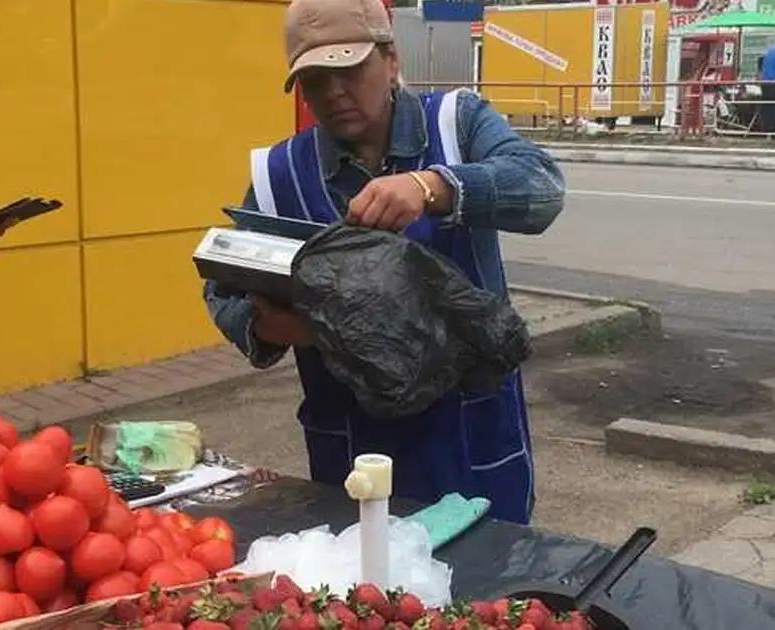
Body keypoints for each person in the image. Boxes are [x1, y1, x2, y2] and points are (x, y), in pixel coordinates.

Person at [203, 0, 565, 525]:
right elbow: (221, 285)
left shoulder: (456, 124)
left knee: (488, 590)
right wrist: (267, 326)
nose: (334, 93)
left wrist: (434, 186)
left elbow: (542, 189)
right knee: (370, 594)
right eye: (315, 80)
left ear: (391, 60)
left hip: (470, 432)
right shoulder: (279, 175)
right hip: (353, 444)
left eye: (349, 70)